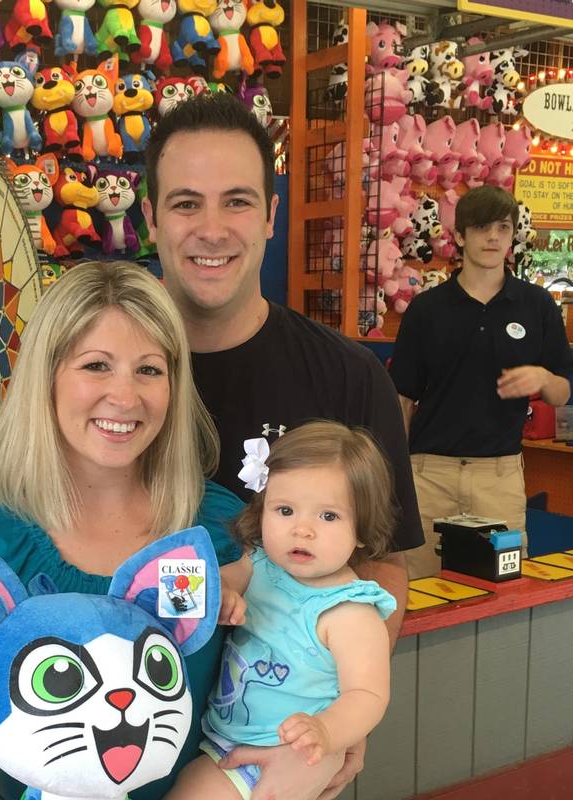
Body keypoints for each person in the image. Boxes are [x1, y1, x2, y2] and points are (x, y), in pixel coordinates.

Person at [141, 92, 424, 798]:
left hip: (264, 749)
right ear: (150, 217)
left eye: (237, 201)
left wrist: (343, 718)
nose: (212, 229)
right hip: (111, 726)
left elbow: (383, 564)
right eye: (185, 203)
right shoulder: (107, 380)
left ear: (271, 215)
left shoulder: (348, 376)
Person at [0, 260, 244, 800]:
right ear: (45, 377)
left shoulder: (216, 529)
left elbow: (281, 684)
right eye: (96, 365)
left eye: (149, 370)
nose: (125, 397)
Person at [166, 420, 396, 800]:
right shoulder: (259, 563)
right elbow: (224, 580)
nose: (302, 529)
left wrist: (326, 731)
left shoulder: (350, 612)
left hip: (284, 753)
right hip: (223, 738)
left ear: (361, 530)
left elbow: (368, 694)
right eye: (285, 510)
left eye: (328, 516)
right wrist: (224, 595)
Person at [390, 185, 573, 578]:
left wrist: (543, 377)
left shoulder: (538, 305)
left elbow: (562, 393)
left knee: (504, 591)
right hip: (429, 474)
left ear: (512, 235)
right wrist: (396, 476)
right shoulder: (426, 309)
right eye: (481, 227)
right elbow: (402, 398)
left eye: (503, 228)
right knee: (420, 588)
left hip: (499, 476)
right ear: (460, 236)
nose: (493, 237)